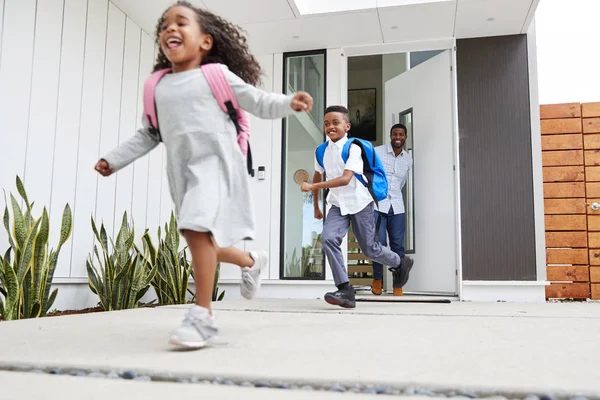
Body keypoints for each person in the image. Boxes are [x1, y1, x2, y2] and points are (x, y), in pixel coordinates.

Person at [94, 1, 313, 349]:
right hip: (182, 172)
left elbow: (257, 101)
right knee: (201, 240)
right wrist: (114, 159)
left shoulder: (217, 76)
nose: (170, 29)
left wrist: (289, 103)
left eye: (181, 22)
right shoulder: (157, 86)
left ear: (206, 42)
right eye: (164, 25)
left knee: (196, 229)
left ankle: (203, 316)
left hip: (219, 165)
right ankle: (251, 260)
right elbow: (150, 133)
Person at [301, 106, 412, 308]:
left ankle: (399, 262)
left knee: (370, 250)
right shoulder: (320, 151)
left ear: (347, 125)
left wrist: (314, 186)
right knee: (328, 238)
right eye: (327, 123)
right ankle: (345, 289)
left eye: (336, 122)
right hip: (337, 205)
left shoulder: (354, 148)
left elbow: (345, 179)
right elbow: (317, 174)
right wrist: (316, 204)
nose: (330, 127)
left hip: (360, 203)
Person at [372, 124, 414, 296]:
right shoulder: (378, 152)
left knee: (398, 246)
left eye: (401, 134)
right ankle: (377, 280)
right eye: (395, 134)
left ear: (405, 137)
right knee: (378, 244)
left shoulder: (408, 159)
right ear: (390, 136)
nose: (398, 137)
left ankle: (398, 283)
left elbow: (401, 182)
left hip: (397, 206)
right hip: (377, 205)